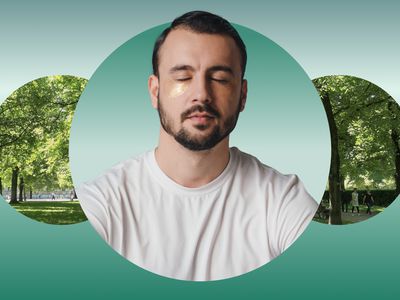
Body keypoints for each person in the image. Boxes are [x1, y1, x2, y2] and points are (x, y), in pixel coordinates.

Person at [77, 11, 317, 281]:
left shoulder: (282, 199)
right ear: (155, 92)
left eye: (220, 79)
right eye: (182, 77)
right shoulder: (104, 201)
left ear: (243, 95)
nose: (201, 94)